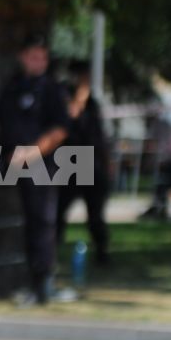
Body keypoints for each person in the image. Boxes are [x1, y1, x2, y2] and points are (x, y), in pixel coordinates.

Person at [0, 35, 69, 306]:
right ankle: (28, 280)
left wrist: (32, 152)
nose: (39, 62)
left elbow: (60, 129)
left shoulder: (52, 88)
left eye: (43, 57)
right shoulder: (13, 86)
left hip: (43, 164)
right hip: (13, 162)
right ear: (22, 57)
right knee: (28, 222)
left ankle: (43, 283)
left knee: (43, 222)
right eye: (33, 56)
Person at [58, 67, 111, 264]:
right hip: (70, 162)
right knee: (58, 212)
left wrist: (105, 163)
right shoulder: (63, 94)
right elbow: (70, 117)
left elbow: (99, 136)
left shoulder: (93, 104)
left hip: (92, 162)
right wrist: (80, 96)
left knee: (95, 215)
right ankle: (51, 253)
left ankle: (102, 252)